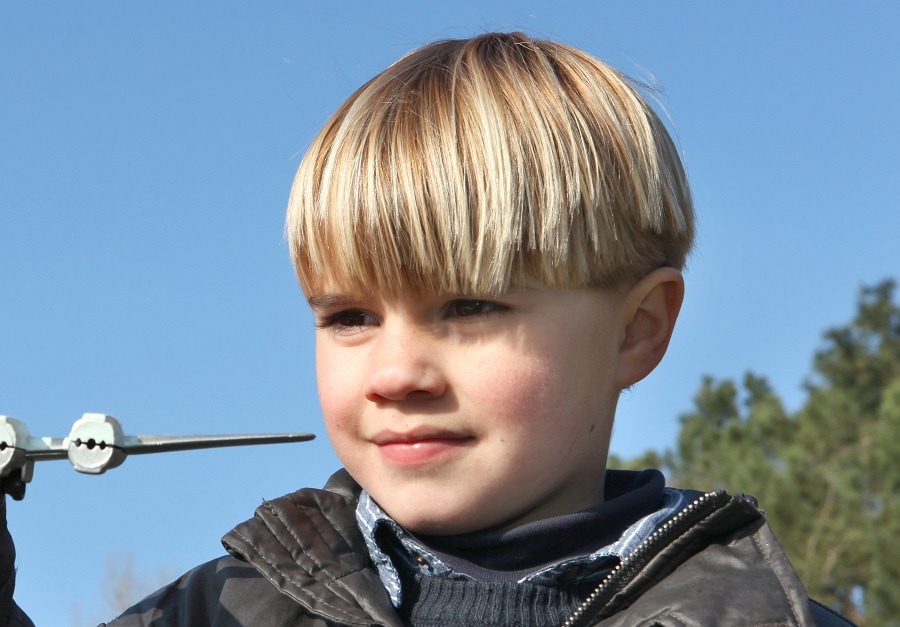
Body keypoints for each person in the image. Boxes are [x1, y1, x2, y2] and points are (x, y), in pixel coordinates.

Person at [3, 32, 853, 626]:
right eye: (350, 316)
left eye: (470, 307)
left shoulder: (761, 619)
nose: (396, 372)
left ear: (638, 330)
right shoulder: (217, 612)